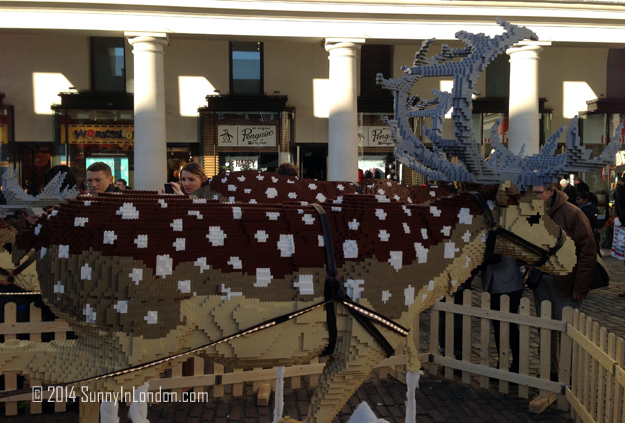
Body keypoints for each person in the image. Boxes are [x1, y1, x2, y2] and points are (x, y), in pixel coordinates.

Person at [531, 183, 597, 377]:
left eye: (538, 193)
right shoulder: (534, 212)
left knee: (566, 331)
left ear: (551, 192)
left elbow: (588, 251)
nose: (534, 197)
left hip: (566, 283)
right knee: (545, 328)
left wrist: (580, 286)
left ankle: (568, 375)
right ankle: (548, 371)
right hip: (541, 280)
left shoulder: (572, 213)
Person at [481, 255, 524, 374]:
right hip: (492, 284)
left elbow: (496, 256)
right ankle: (502, 363)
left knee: (510, 326)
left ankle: (517, 364)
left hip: (510, 283)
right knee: (498, 326)